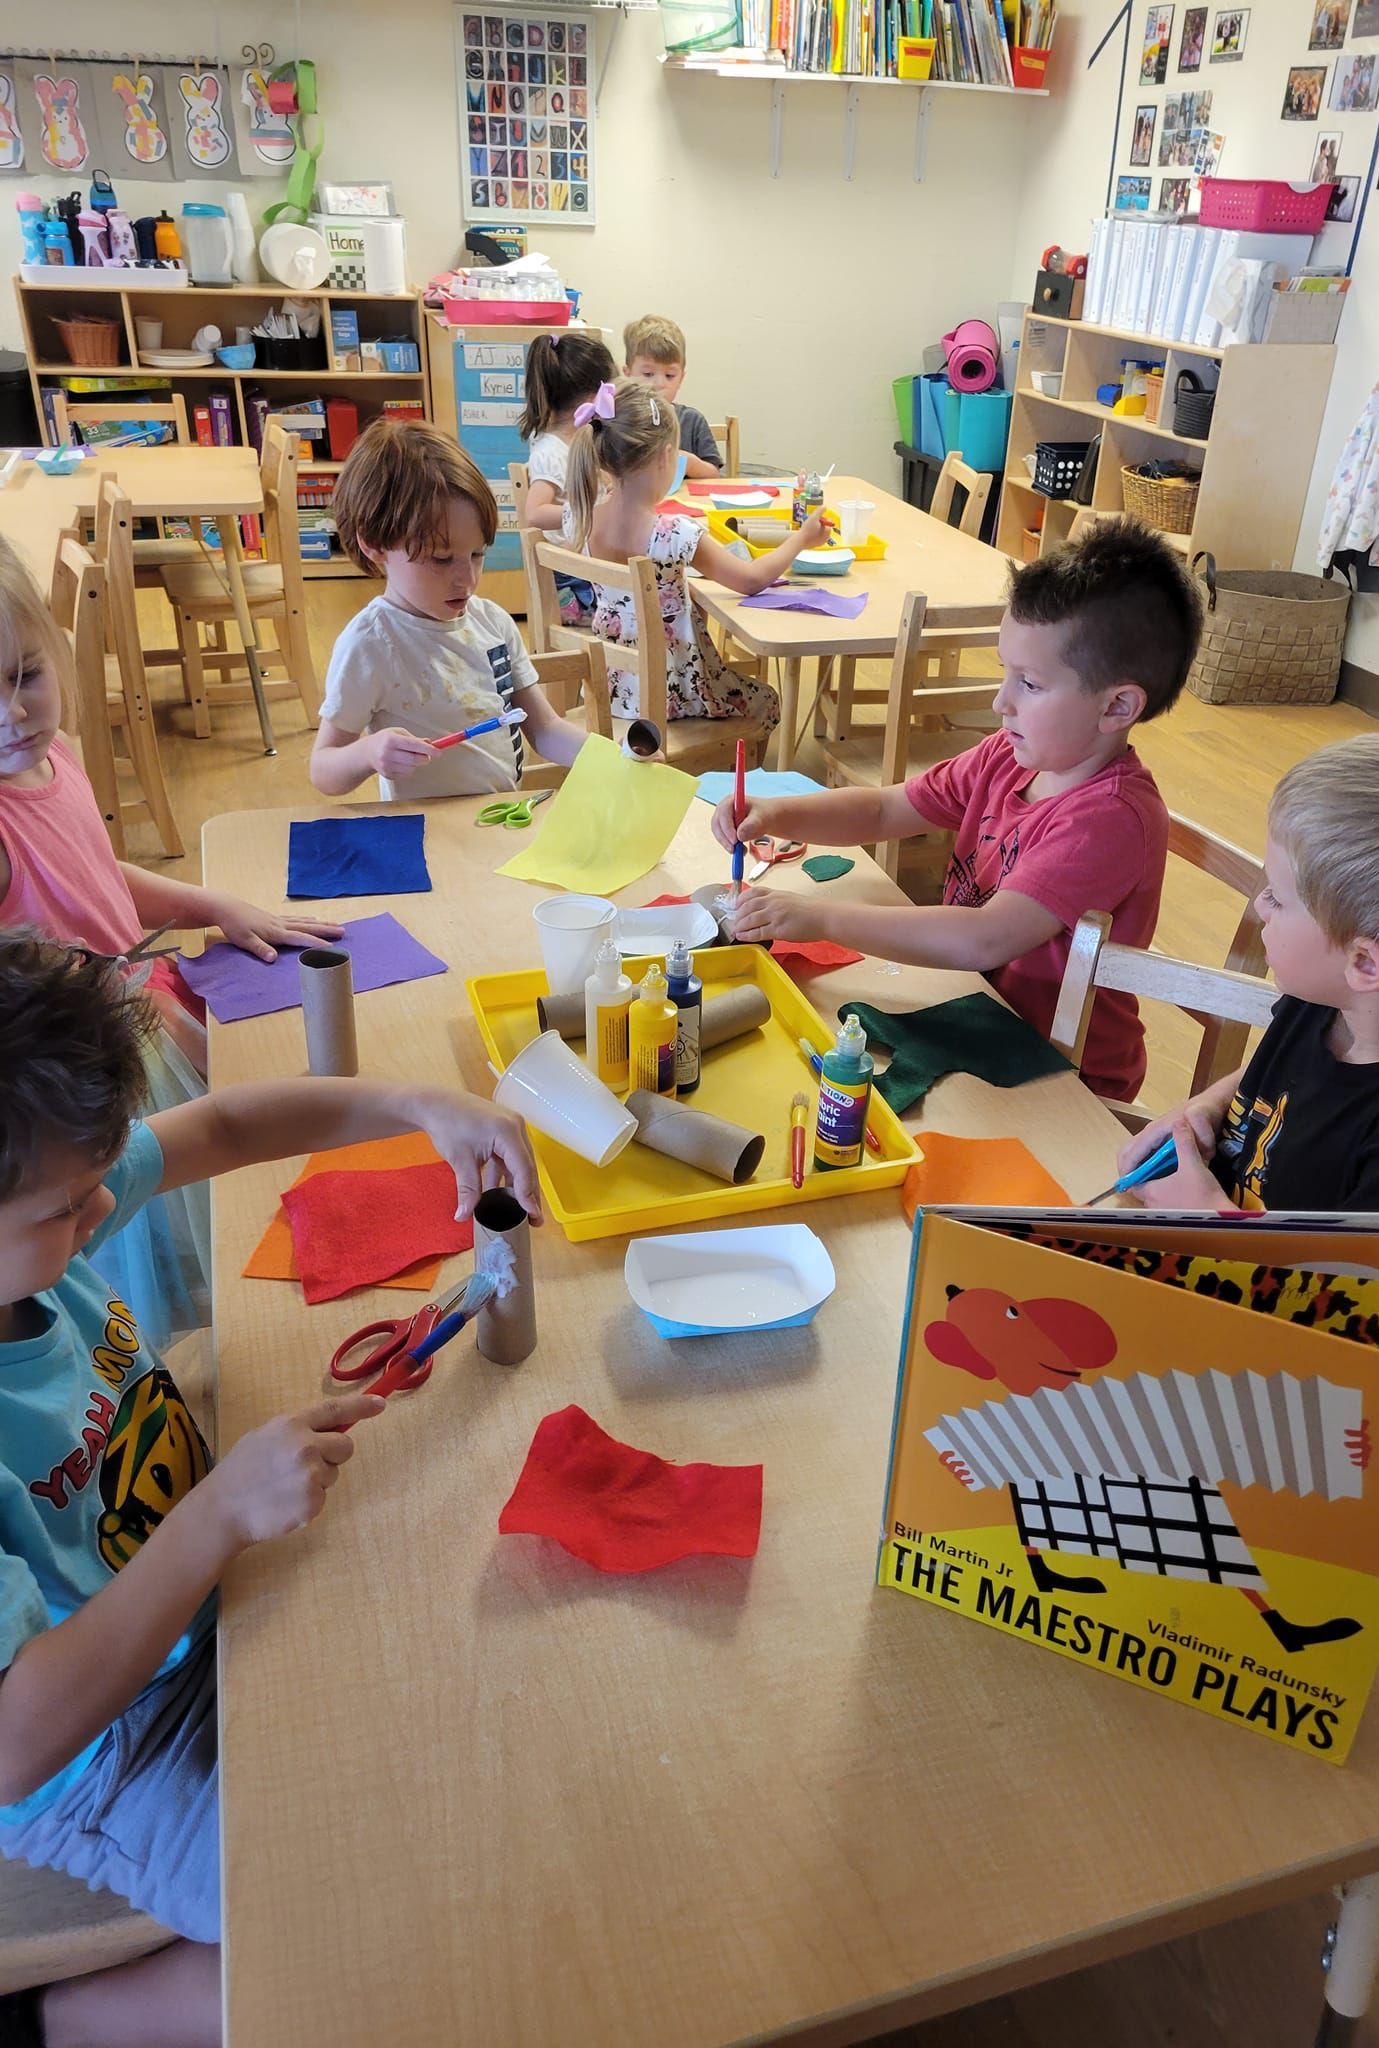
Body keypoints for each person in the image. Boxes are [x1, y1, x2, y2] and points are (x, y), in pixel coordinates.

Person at [0, 933, 543, 2048]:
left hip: (205, 1592)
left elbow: (231, 1124)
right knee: (355, 1955)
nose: (102, 1209)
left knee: (477, 1726)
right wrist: (215, 1518)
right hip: (105, 1746)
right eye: (62, 1208)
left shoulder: (50, 1207)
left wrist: (417, 1102)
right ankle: (68, 2020)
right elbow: (16, 1742)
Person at [711, 519, 1202, 1100]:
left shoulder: (1108, 818)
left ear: (1118, 705)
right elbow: (885, 811)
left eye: (1030, 684)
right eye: (1005, 673)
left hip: (1062, 1073)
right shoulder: (1013, 755)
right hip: (977, 1013)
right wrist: (778, 814)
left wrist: (819, 917)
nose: (1001, 701)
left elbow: (984, 939)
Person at [0, 536, 340, 1349]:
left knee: (221, 1204)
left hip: (141, 1014)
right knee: (140, 1246)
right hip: (89, 1076)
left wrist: (209, 902)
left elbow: (91, 867)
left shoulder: (51, 761)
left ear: (56, 651)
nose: (12, 713)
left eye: (27, 678)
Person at [1117, 734, 1379, 1364]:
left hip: (1304, 1393)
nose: (1258, 907)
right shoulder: (1329, 1000)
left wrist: (1209, 1220)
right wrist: (1203, 1108)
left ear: (1364, 961)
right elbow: (1267, 1074)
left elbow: (1347, 1330)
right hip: (1220, 1305)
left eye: (1277, 898)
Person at [310, 419, 591, 801]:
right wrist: (368, 753)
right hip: (428, 835)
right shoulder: (372, 644)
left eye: (477, 554)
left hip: (495, 823)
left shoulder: (493, 623)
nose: (467, 579)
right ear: (375, 544)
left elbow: (544, 729)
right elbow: (323, 771)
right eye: (441, 560)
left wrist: (612, 759)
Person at [566, 379, 832, 733]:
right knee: (766, 700)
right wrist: (802, 538)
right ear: (666, 459)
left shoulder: (580, 517)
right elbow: (750, 580)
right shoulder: (674, 533)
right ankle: (733, 781)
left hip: (611, 689)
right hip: (673, 692)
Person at [517, 328, 618, 537]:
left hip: (589, 546)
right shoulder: (550, 452)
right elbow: (534, 513)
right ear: (593, 399)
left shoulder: (581, 437)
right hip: (569, 562)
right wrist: (590, 513)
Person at [623, 313, 723, 479]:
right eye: (648, 373)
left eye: (670, 375)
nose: (659, 383)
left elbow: (713, 476)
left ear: (681, 378)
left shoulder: (692, 421)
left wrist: (687, 462)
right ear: (628, 374)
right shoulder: (619, 421)